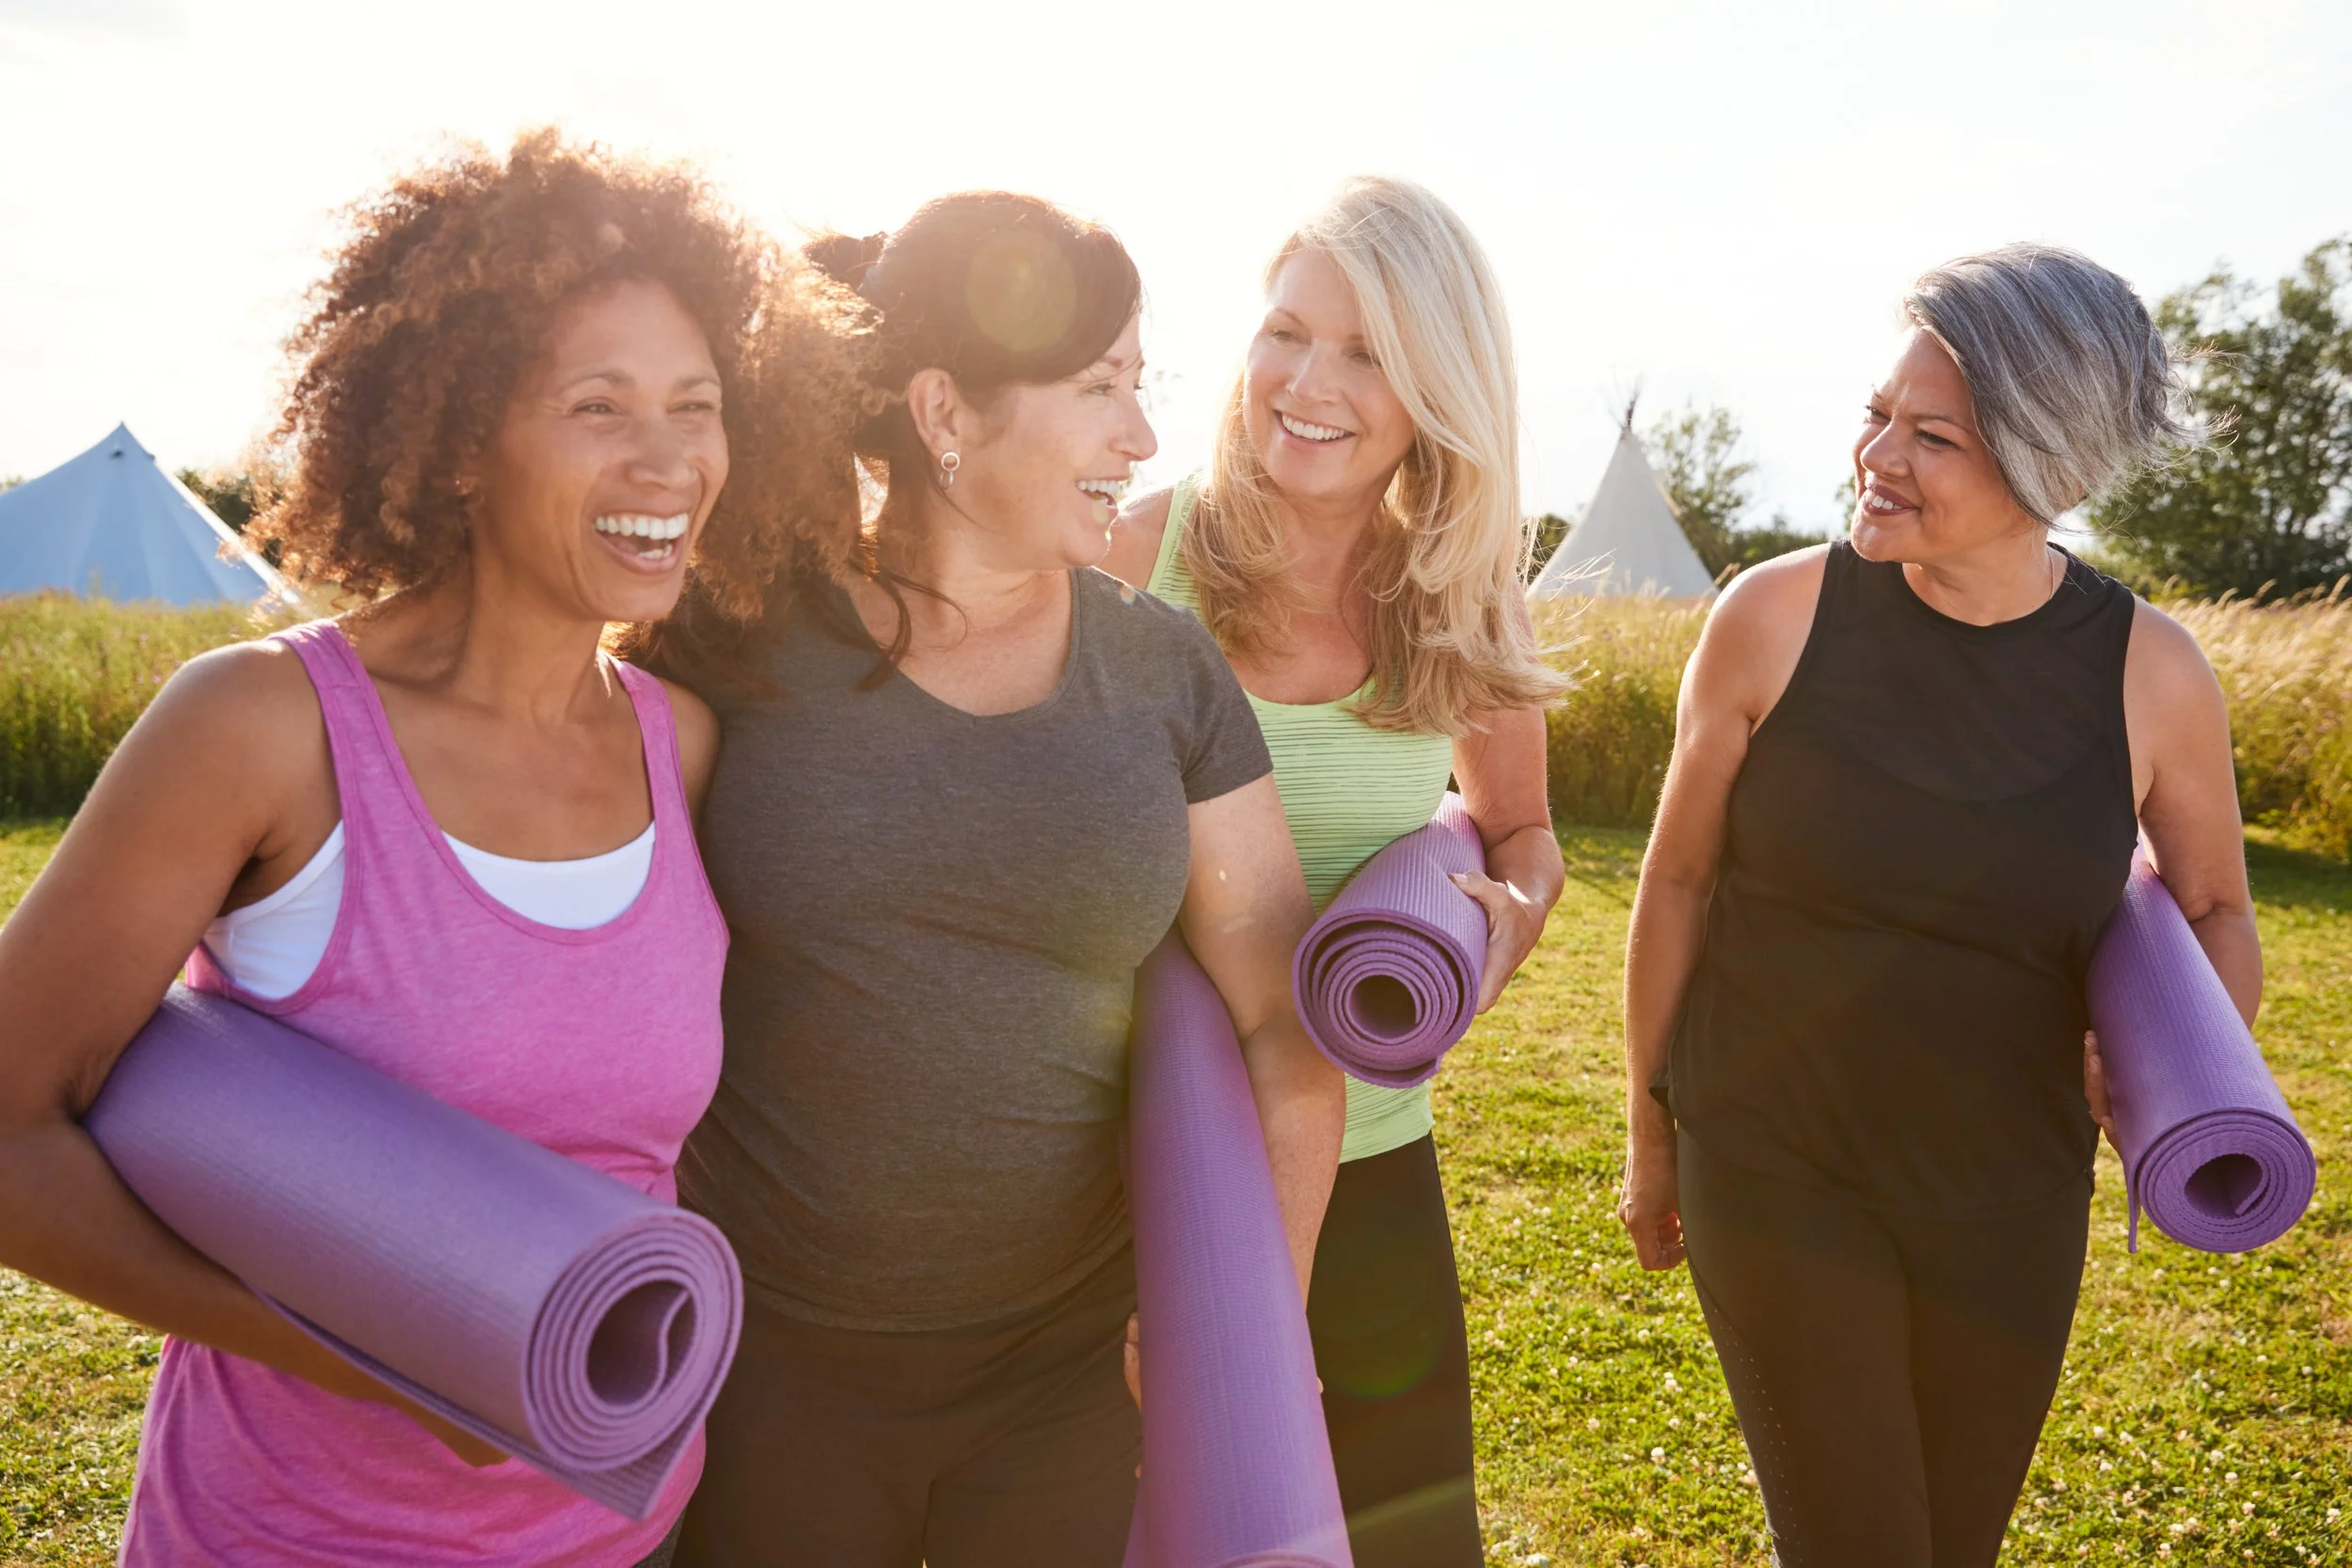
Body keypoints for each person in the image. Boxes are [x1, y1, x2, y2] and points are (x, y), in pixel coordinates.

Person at [0, 132, 861, 1567]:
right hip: (298, 1533)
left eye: (697, 406)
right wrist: (390, 1347)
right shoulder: (261, 728)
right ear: (463, 438)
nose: (668, 459)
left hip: (624, 1525)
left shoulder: (684, 745)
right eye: (600, 404)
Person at [666, 192, 1346, 1568]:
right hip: (767, 1357)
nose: (1143, 439)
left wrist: (1245, 1325)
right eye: (1101, 389)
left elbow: (1284, 1025)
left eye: (1141, 389)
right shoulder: (730, 641)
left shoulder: (1160, 668)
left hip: (1065, 1374)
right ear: (943, 413)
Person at [1618, 244, 2261, 1566]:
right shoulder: (1773, 617)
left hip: (2013, 1195)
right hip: (1775, 1155)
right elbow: (1676, 879)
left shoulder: (2152, 674)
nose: (1877, 454)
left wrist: (2171, 1065)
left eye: (1933, 436)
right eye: (1875, 412)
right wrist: (1650, 1131)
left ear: (2051, 466)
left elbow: (2215, 907)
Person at [1103, 176, 1568, 1568]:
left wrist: (1505, 923)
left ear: (1437, 387)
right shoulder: (1138, 555)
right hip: (1129, 1171)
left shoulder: (1461, 593)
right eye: (1286, 331)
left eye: (1366, 352)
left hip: (1370, 1165)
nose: (1307, 382)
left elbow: (1523, 833)